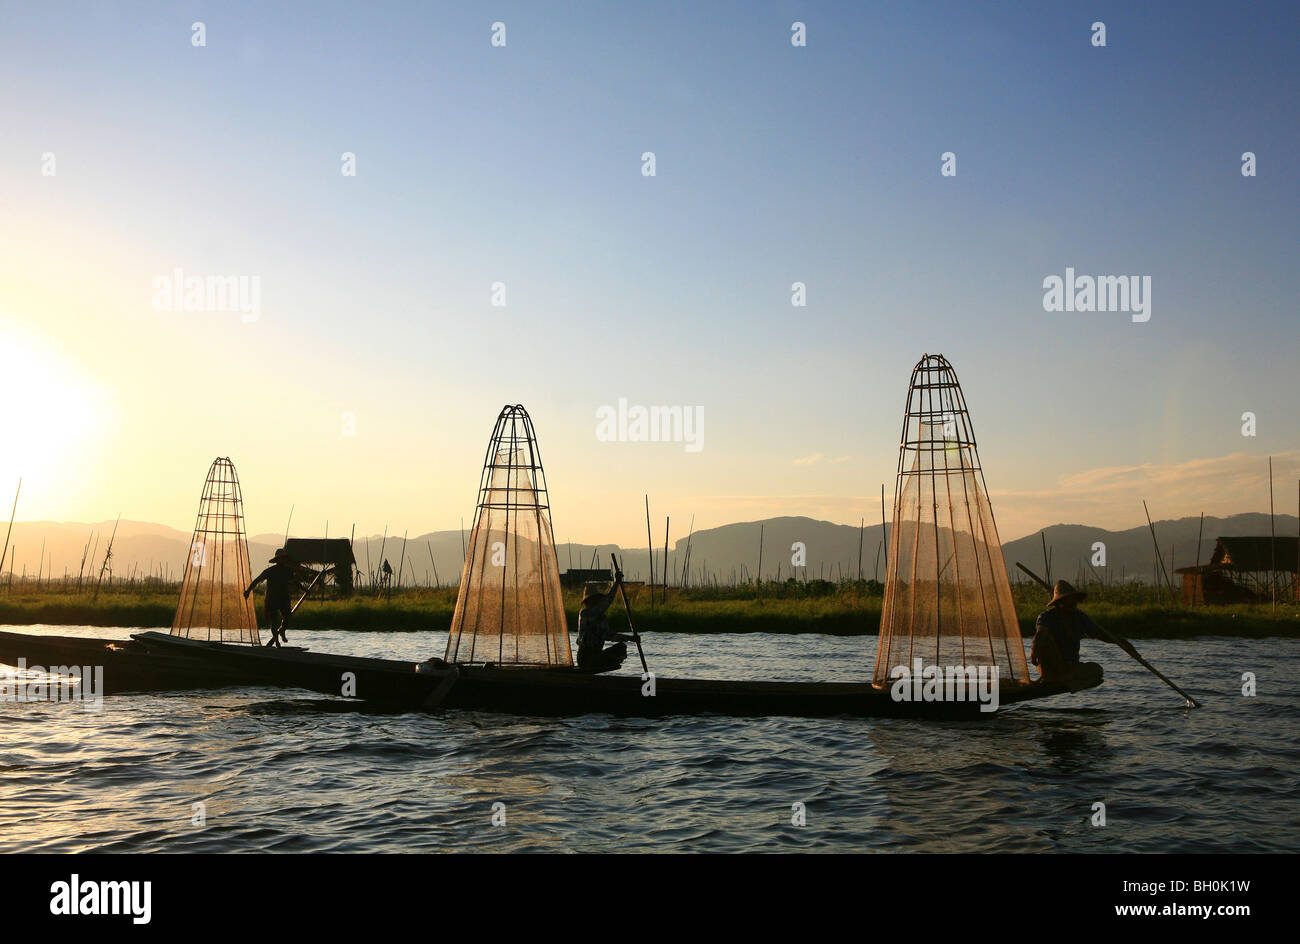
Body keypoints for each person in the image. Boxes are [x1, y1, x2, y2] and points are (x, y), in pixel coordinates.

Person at [1030, 580, 1111, 690]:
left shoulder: (1080, 617)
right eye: (1069, 599)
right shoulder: (1047, 617)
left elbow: (1099, 634)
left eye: (1074, 599)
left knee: (1097, 669)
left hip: (1070, 667)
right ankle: (1056, 678)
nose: (1073, 602)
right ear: (1060, 602)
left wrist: (1122, 642)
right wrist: (1034, 651)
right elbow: (1040, 634)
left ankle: (1063, 678)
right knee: (1046, 638)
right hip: (1051, 666)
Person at [576, 571, 632, 672]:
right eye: (593, 599)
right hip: (586, 658)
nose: (596, 601)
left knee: (621, 648)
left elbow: (608, 635)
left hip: (596, 654)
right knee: (616, 650)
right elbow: (608, 601)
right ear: (588, 601)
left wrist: (629, 638)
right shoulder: (586, 613)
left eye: (597, 599)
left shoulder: (600, 616)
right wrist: (617, 583)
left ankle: (602, 663)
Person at [245, 548, 297, 647]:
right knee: (274, 621)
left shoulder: (288, 571)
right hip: (272, 599)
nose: (282, 561)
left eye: (284, 559)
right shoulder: (270, 571)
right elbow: (257, 580)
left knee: (287, 618)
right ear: (277, 560)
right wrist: (248, 591)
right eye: (280, 559)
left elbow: (294, 582)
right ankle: (277, 642)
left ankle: (282, 631)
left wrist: (304, 589)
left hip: (284, 598)